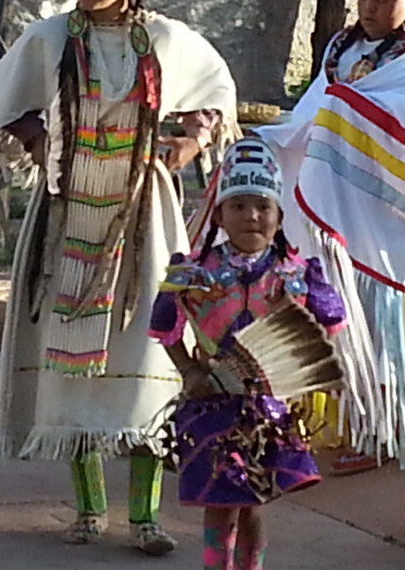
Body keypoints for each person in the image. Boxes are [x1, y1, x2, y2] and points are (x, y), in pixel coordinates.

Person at [0, 0, 236, 554]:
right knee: (72, 367)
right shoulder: (50, 37)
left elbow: (215, 93)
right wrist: (40, 140)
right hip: (68, 213)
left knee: (146, 358)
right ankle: (88, 511)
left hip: (144, 215)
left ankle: (145, 518)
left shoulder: (167, 39)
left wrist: (188, 141)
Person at [254, 0, 405, 475]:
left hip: (393, 214)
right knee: (332, 309)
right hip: (336, 205)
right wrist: (272, 140)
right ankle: (334, 420)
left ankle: (383, 427)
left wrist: (345, 108)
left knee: (381, 320)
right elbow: (314, 111)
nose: (372, 7)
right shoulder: (340, 48)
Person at [148, 138, 345, 570]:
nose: (250, 216)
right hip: (212, 404)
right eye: (237, 206)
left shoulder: (293, 274)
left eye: (262, 206)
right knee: (218, 504)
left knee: (255, 502)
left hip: (268, 410)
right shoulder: (197, 272)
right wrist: (188, 373)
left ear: (278, 217)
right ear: (218, 215)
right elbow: (162, 324)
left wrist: (303, 366)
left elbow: (329, 322)